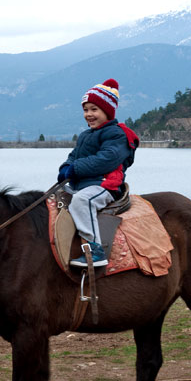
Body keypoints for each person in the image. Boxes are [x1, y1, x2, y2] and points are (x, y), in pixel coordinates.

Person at [57, 79, 139, 267]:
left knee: (82, 202)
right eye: (86, 110)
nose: (89, 114)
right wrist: (64, 169)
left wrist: (75, 169)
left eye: (94, 109)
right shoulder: (85, 135)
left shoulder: (117, 134)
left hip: (105, 185)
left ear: (107, 111)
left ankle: (95, 249)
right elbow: (73, 156)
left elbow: (106, 160)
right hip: (82, 185)